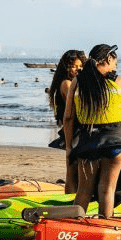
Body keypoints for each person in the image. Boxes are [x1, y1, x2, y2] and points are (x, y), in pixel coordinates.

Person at [64, 44, 121, 218]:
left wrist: (69, 147)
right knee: (107, 190)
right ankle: (104, 227)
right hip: (117, 144)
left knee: (83, 192)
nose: (115, 68)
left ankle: (77, 230)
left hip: (88, 143)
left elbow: (68, 118)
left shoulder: (78, 82)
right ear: (108, 59)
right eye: (115, 64)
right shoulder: (119, 82)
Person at [47, 49, 86, 192]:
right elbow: (77, 106)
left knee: (73, 167)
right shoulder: (67, 84)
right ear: (66, 66)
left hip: (72, 129)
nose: (78, 69)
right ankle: (71, 196)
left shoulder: (68, 83)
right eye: (74, 66)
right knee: (73, 169)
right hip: (74, 129)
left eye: (80, 66)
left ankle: (72, 195)